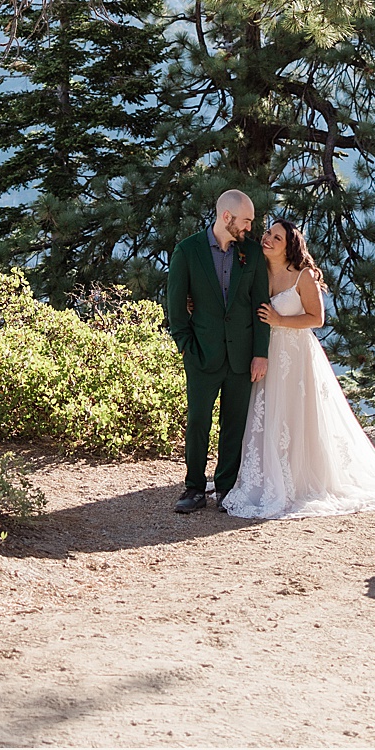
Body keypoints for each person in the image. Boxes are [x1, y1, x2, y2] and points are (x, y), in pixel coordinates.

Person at [222, 217, 375, 520]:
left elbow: (316, 318)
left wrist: (280, 320)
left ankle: (299, 480)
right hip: (267, 353)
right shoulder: (258, 269)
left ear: (289, 248)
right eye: (268, 233)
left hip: (296, 355)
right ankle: (264, 476)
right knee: (267, 413)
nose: (268, 239)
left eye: (277, 237)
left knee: (296, 416)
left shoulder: (303, 276)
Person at [164, 190, 270, 513]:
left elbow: (260, 306)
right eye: (246, 221)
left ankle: (226, 488)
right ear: (227, 217)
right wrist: (187, 348)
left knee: (234, 423)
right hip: (202, 355)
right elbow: (176, 310)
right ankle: (194, 488)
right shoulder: (187, 251)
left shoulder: (251, 255)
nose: (250, 229)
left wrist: (260, 352)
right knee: (198, 422)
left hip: (242, 356)